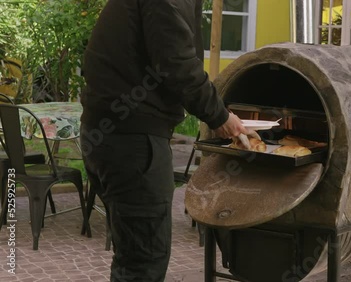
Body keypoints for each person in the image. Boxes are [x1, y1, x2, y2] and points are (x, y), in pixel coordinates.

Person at [79, 0, 254, 281]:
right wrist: (221, 117)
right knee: (145, 260)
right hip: (133, 141)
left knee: (132, 256)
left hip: (108, 133)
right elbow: (176, 62)